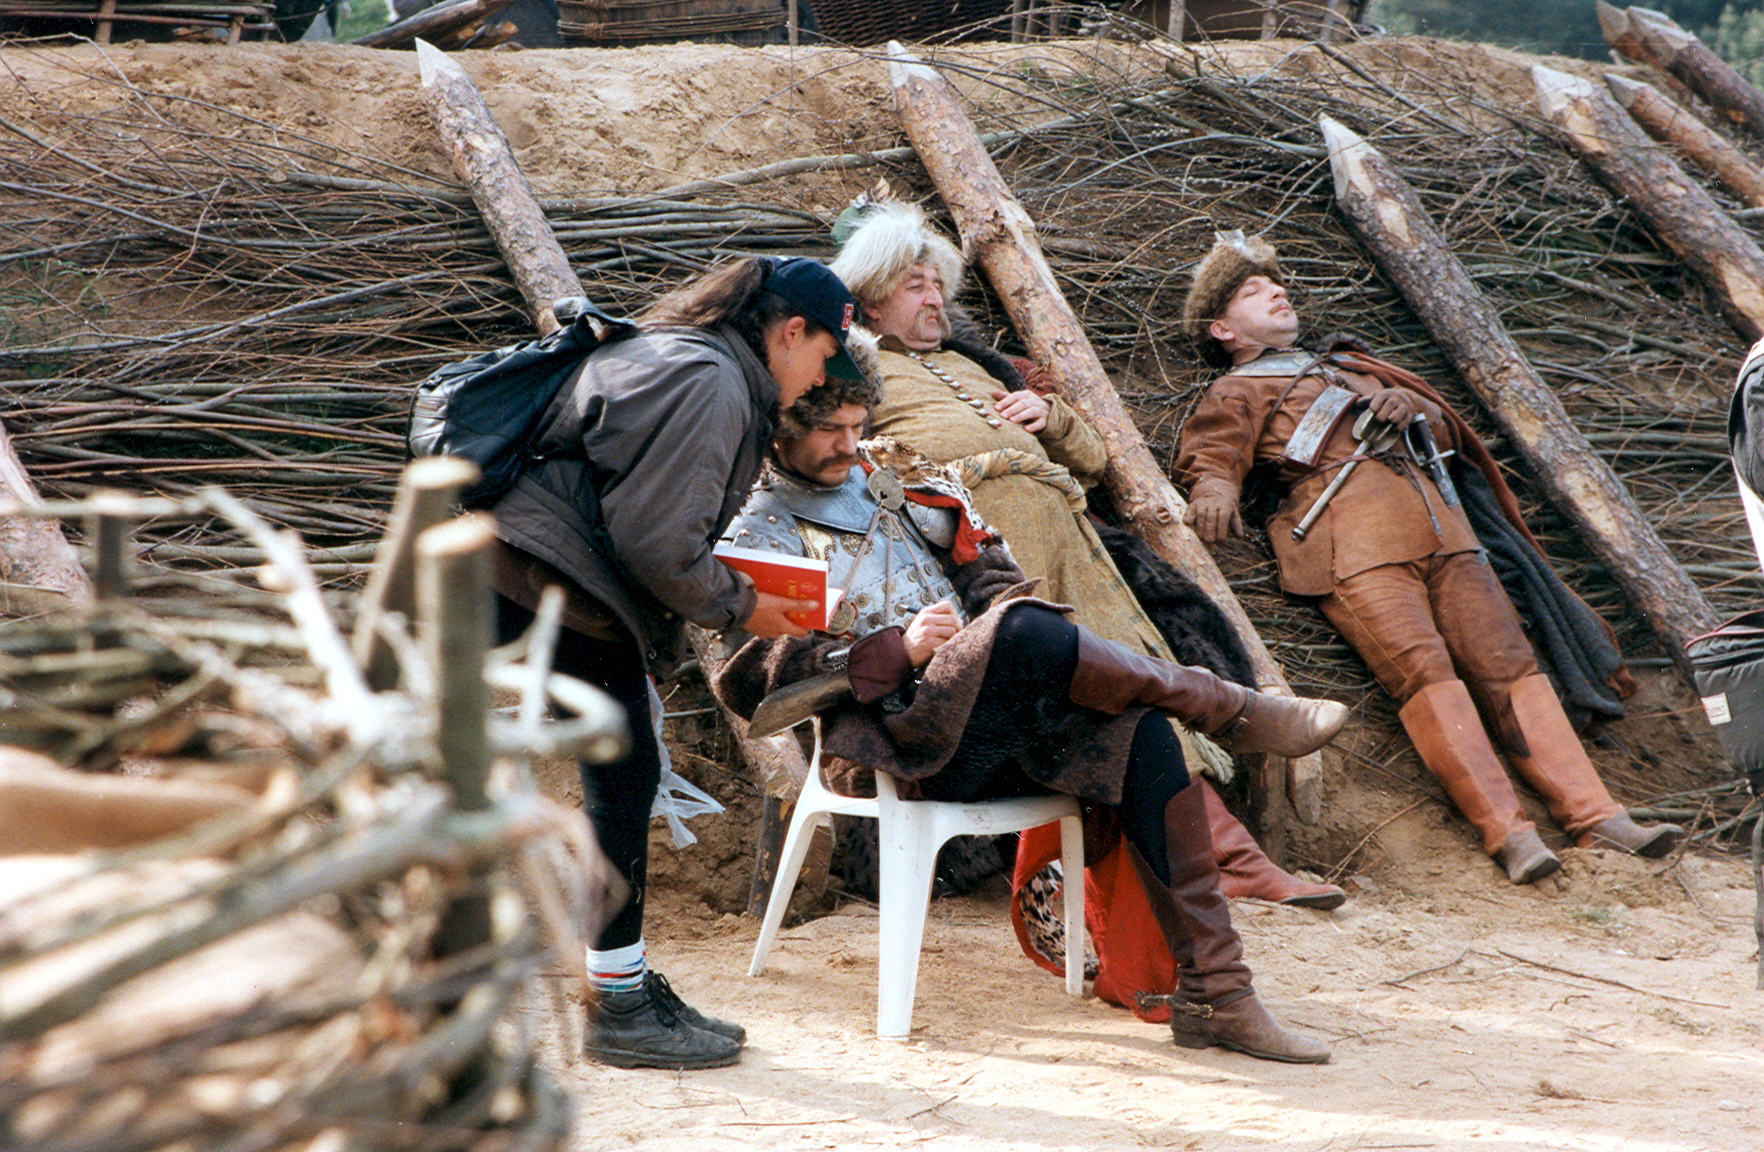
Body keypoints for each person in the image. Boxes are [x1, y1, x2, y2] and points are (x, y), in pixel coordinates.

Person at [710, 383, 1349, 1063]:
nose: (849, 444)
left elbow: (997, 580)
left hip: (989, 725)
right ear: (781, 431)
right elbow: (753, 684)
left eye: (855, 424)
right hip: (897, 747)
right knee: (1020, 629)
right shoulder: (758, 525)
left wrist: (983, 630)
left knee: (1139, 732)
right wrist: (896, 649)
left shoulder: (899, 476)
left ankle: (1217, 996)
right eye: (829, 431)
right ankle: (1224, 706)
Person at [827, 201, 1347, 910]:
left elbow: (1094, 460)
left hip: (1073, 545)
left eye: (938, 284)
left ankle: (1223, 857)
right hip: (985, 559)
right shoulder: (857, 370)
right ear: (871, 299)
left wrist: (1051, 418)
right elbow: (844, 465)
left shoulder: (975, 365)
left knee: (1140, 676)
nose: (934, 298)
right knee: (1094, 697)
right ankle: (1213, 859)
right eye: (915, 285)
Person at [1173, 231, 1681, 884]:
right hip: (1353, 547)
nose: (1276, 292)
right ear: (1222, 329)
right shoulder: (1235, 391)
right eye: (1252, 291)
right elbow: (1212, 452)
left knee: (1511, 666)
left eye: (1277, 283)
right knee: (1425, 675)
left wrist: (1409, 405)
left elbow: (1443, 433)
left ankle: (1595, 815)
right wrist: (1213, 488)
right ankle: (1509, 833)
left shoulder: (1354, 369)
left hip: (1446, 533)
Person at [487, 255, 864, 1070]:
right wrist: (743, 605)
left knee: (622, 772)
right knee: (619, 775)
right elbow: (658, 544)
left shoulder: (691, 354)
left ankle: (616, 988)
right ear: (792, 331)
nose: (823, 377)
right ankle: (616, 1002)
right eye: (826, 354)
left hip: (534, 569)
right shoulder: (713, 382)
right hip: (538, 576)